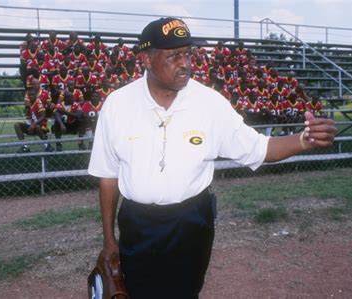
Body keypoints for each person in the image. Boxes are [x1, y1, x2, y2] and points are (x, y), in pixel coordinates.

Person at [88, 17, 336, 299]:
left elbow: (259, 148)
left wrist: (305, 140)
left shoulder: (209, 103)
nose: (185, 63)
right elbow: (108, 175)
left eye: (188, 54)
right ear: (146, 59)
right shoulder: (118, 105)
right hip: (138, 222)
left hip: (191, 220)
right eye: (173, 56)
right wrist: (109, 239)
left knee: (185, 292)